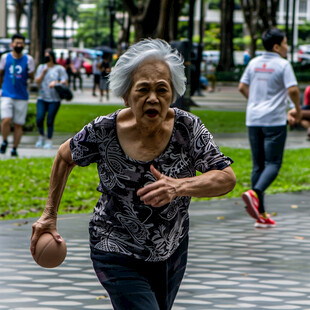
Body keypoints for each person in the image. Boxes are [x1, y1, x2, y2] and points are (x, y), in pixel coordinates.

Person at [30, 39, 236, 310]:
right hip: (114, 245)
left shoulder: (188, 128)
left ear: (172, 94)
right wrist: (49, 214)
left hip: (171, 249)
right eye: (143, 89)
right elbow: (64, 156)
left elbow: (226, 176)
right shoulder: (103, 131)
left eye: (162, 89)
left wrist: (178, 187)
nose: (153, 98)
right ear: (126, 95)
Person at [239, 28, 301, 228]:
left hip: (253, 119)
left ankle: (261, 215)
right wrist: (297, 110)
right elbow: (292, 89)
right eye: (284, 43)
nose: (286, 46)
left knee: (258, 165)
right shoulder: (283, 65)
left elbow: (242, 87)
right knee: (273, 164)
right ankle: (254, 194)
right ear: (276, 46)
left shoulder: (253, 63)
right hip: (274, 121)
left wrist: (256, 102)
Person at [0, 33, 35, 157]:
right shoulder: (5, 58)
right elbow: (1, 73)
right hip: (6, 94)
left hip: (21, 95)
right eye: (16, 43)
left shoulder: (29, 59)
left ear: (24, 45)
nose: (18, 45)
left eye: (21, 43)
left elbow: (32, 76)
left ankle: (14, 148)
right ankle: (4, 141)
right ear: (12, 44)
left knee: (18, 124)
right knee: (6, 119)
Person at [34, 48, 68, 149]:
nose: (46, 58)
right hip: (42, 98)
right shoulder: (41, 68)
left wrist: (56, 83)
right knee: (39, 119)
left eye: (48, 56)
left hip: (54, 99)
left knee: (50, 120)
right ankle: (41, 136)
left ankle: (49, 140)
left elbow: (65, 82)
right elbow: (37, 82)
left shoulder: (59, 69)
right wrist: (43, 73)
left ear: (52, 57)